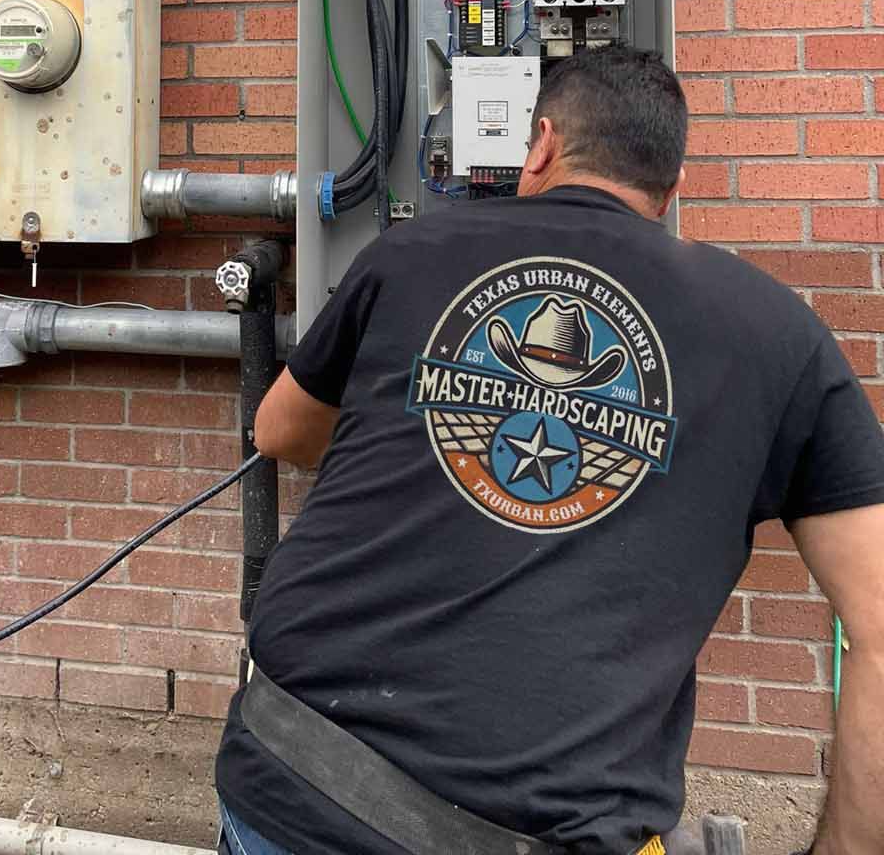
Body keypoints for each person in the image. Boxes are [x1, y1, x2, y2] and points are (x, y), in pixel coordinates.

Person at [214, 47, 884, 855]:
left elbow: (280, 431)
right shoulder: (781, 335)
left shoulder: (411, 253)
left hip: (294, 778)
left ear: (539, 146)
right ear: (671, 191)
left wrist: (429, 407)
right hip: (541, 828)